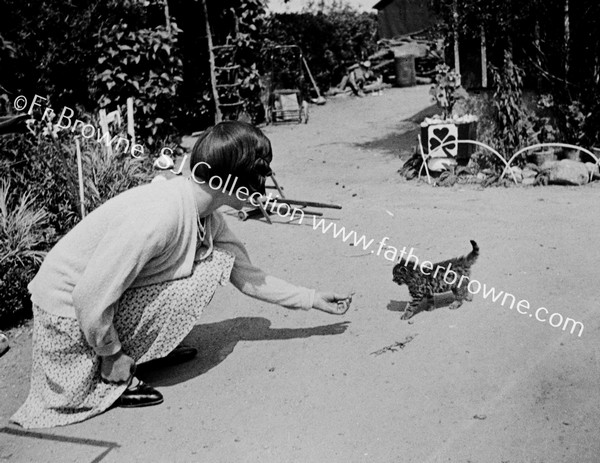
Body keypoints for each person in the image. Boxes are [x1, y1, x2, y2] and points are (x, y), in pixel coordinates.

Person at [11, 121, 353, 429]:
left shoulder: (206, 214)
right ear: (230, 181)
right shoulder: (161, 216)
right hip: (66, 314)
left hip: (90, 306)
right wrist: (110, 353)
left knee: (214, 261)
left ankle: (139, 350)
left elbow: (248, 275)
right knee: (207, 269)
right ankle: (114, 373)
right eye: (255, 180)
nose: (259, 190)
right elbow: (88, 294)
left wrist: (311, 298)